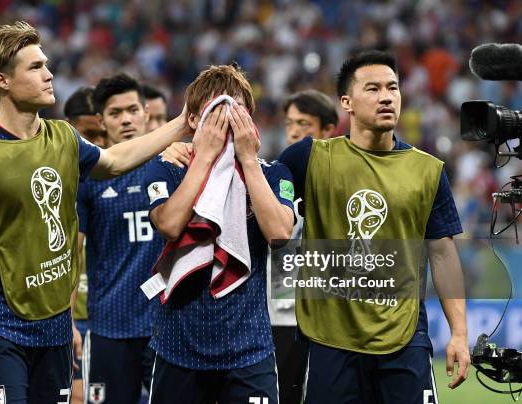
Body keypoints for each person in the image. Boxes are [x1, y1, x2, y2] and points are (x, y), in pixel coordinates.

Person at [0, 21, 186, 403]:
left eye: (46, 64)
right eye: (35, 67)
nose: (49, 74)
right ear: (2, 80)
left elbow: (114, 160)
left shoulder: (63, 137)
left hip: (55, 325)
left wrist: (183, 122)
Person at [278, 50, 469, 403]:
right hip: (329, 340)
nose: (386, 96)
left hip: (404, 338)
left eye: (393, 87)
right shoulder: (309, 158)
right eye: (373, 88)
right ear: (346, 102)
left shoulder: (428, 171)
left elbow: (443, 253)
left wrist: (459, 333)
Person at [143, 64, 295, 404]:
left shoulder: (274, 173)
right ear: (194, 120)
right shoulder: (167, 166)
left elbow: (280, 234)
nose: (227, 119)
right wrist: (204, 158)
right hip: (177, 348)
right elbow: (168, 224)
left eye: (237, 110)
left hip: (249, 351)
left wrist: (249, 160)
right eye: (216, 109)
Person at [77, 73, 165, 404]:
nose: (126, 119)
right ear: (101, 121)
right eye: (115, 113)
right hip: (109, 328)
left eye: (132, 110)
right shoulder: (89, 179)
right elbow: (73, 253)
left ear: (146, 112)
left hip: (165, 326)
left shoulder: (172, 167)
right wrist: (70, 322)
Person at [270, 89, 339, 404]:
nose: (294, 131)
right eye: (290, 123)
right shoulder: (272, 178)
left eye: (304, 124)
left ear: (328, 131)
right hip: (280, 313)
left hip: (327, 314)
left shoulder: (341, 184)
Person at [63, 86, 107, 404]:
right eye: (89, 134)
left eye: (102, 134)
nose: (98, 145)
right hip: (69, 318)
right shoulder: (53, 184)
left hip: (110, 318)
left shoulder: (122, 177)